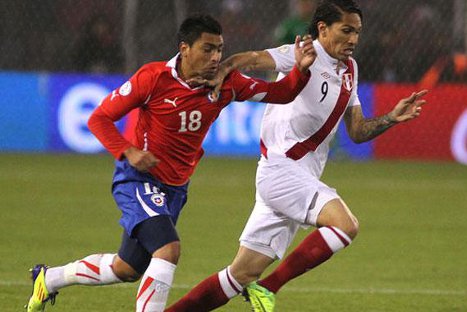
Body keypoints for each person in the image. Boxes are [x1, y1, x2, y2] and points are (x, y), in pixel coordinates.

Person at [25, 14, 316, 312]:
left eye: (219, 49)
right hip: (139, 179)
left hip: (175, 188)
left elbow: (282, 94)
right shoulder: (153, 78)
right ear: (184, 48)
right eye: (207, 49)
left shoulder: (227, 83)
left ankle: (48, 279)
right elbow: (99, 118)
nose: (216, 57)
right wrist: (128, 152)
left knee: (126, 268)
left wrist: (302, 72)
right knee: (168, 250)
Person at [165, 1, 428, 311]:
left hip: (297, 178)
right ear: (322, 29)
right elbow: (251, 59)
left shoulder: (350, 71)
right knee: (346, 225)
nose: (354, 39)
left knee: (239, 274)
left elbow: (357, 131)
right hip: (281, 170)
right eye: (346, 30)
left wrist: (390, 119)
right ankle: (268, 287)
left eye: (357, 32)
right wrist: (224, 68)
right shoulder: (301, 53)